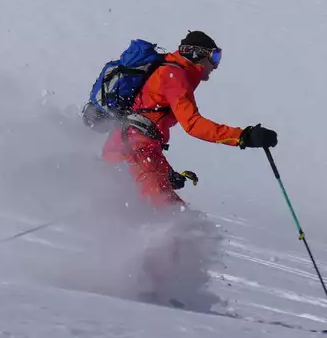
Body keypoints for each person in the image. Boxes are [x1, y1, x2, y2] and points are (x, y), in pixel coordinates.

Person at [101, 31, 279, 208]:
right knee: (170, 214)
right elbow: (193, 125)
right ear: (197, 54)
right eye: (214, 57)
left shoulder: (170, 69)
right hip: (131, 150)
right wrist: (244, 136)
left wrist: (167, 173)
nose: (215, 66)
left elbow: (146, 129)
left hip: (129, 147)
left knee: (150, 214)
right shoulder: (174, 76)